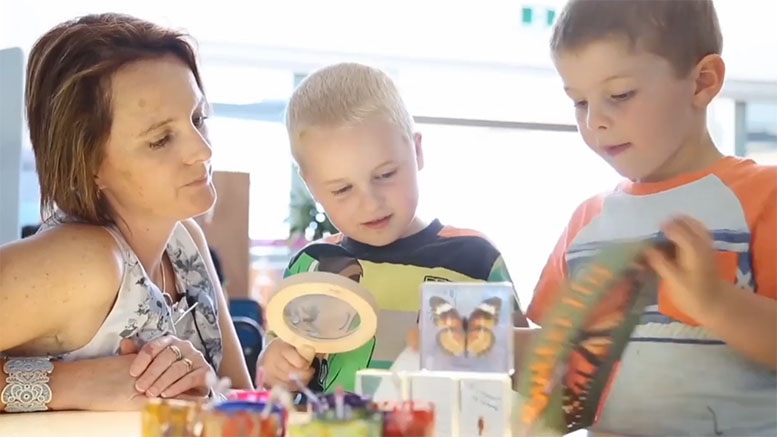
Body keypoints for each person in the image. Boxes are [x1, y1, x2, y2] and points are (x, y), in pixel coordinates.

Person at [526, 1, 777, 435]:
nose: (595, 121)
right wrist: (477, 347)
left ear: (702, 82)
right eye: (579, 102)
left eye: (620, 95)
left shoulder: (765, 196)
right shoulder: (585, 223)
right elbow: (560, 367)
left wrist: (714, 302)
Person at [0, 13, 251, 413]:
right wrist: (72, 384)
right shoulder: (84, 262)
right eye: (161, 139)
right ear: (88, 165)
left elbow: (242, 400)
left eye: (198, 119)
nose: (203, 150)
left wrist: (205, 388)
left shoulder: (185, 239)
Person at [257, 62, 528, 393]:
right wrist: (276, 364)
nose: (370, 203)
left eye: (385, 175)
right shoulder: (310, 266)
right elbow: (274, 367)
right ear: (311, 185)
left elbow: (526, 373)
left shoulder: (475, 260)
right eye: (342, 189)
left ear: (417, 151)